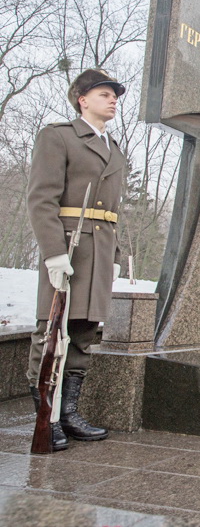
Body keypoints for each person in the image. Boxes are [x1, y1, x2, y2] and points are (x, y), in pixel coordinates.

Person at [26, 69, 127, 451]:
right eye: (105, 94)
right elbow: (41, 199)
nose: (113, 99)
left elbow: (115, 210)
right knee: (51, 332)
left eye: (115, 95)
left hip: (99, 251)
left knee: (83, 334)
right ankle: (45, 417)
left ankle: (68, 414)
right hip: (69, 247)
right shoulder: (59, 136)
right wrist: (53, 252)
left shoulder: (114, 148)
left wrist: (114, 255)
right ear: (82, 99)